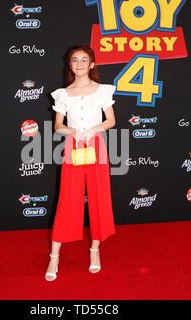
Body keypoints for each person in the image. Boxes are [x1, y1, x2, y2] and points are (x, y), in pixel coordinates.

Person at [45, 45, 116, 281]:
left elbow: (111, 121)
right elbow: (57, 126)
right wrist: (72, 131)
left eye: (84, 59)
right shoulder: (63, 94)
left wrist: (94, 130)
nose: (79, 63)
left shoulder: (102, 90)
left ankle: (95, 250)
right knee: (67, 199)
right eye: (75, 60)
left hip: (96, 145)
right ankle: (54, 256)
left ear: (92, 64)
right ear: (70, 65)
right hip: (73, 146)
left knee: (98, 198)